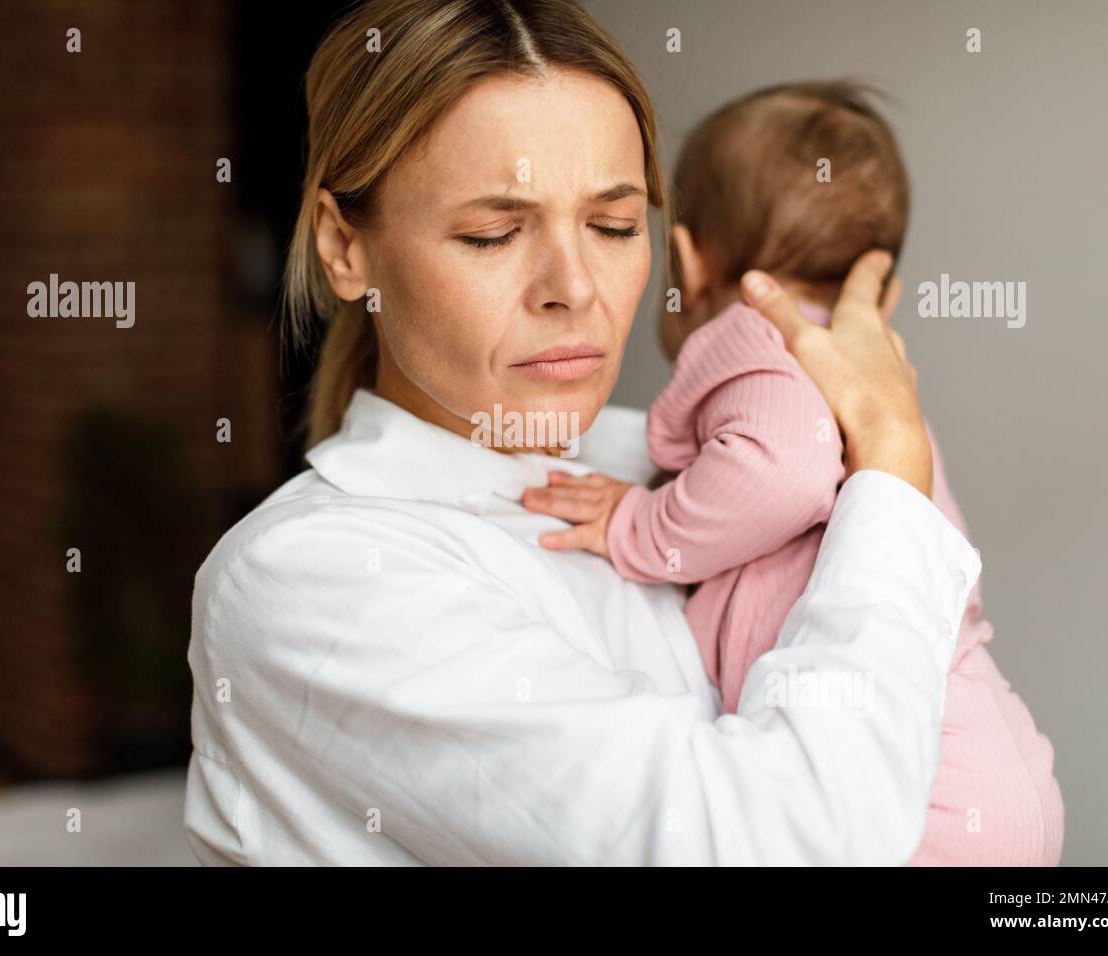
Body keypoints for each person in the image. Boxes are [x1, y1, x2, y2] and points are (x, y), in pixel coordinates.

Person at [184, 0, 980, 865]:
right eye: (493, 233)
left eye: (612, 225)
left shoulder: (715, 468)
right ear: (346, 249)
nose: (574, 286)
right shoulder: (305, 579)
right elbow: (783, 843)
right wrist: (894, 465)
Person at [521, 81, 1063, 865]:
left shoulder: (750, 332)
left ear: (687, 260)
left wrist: (635, 525)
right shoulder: (868, 383)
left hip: (922, 798)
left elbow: (783, 473)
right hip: (990, 762)